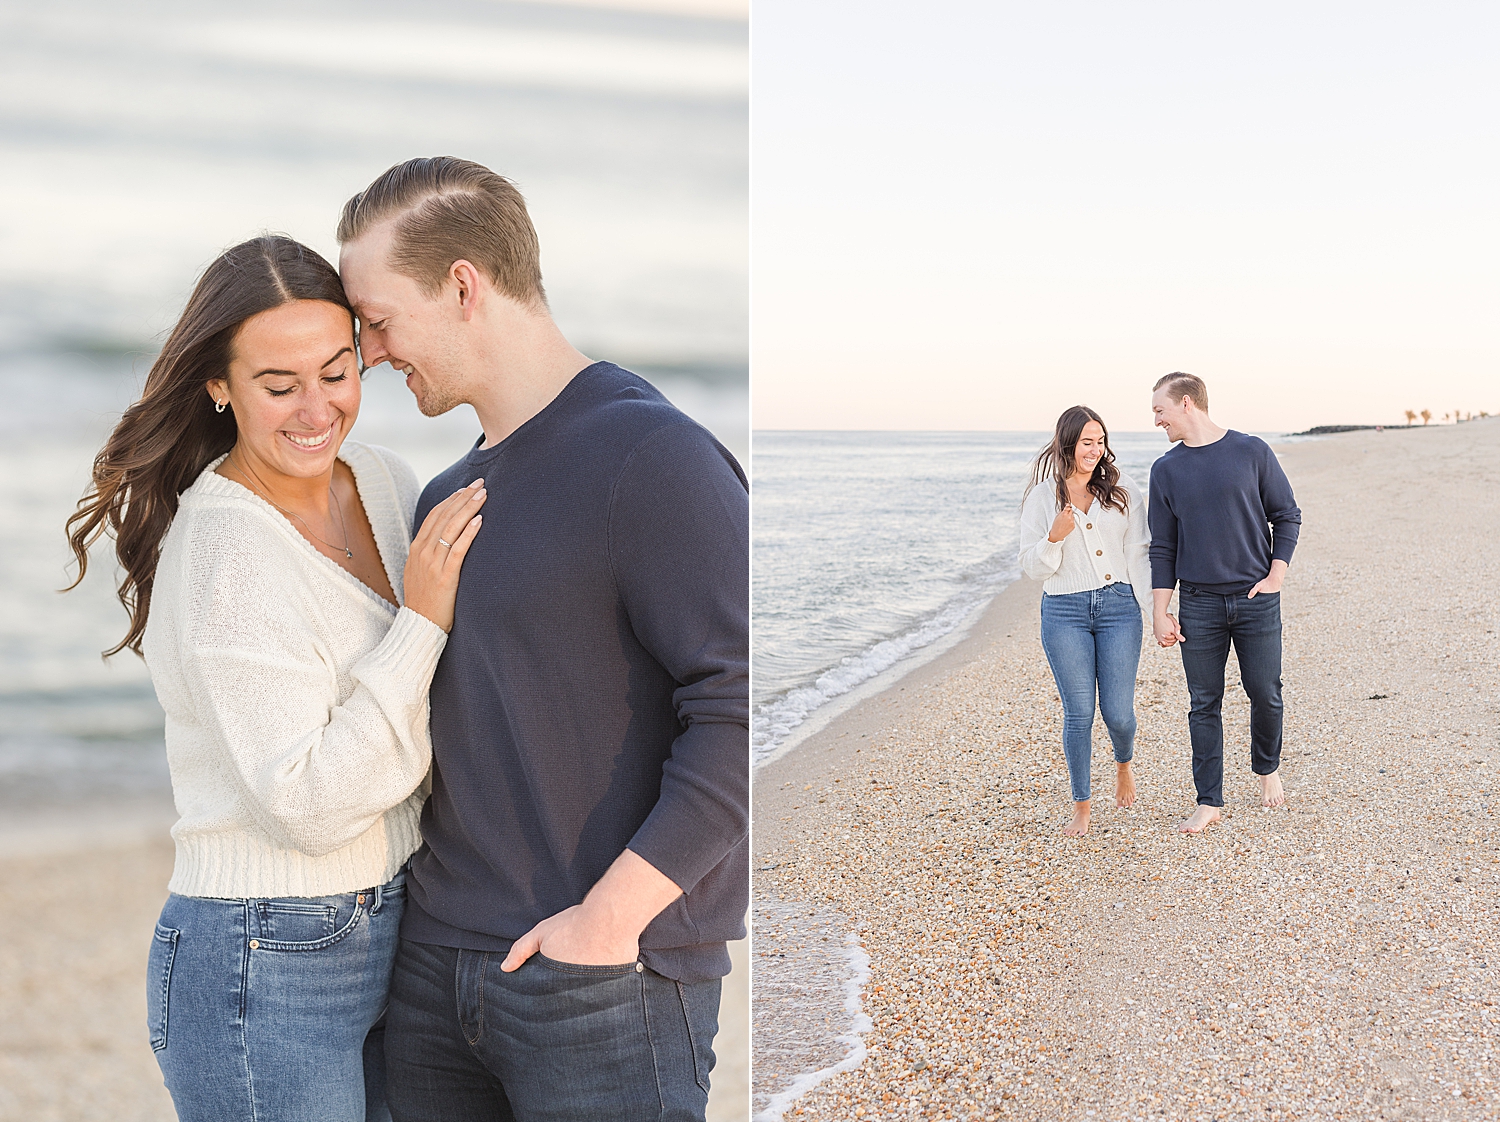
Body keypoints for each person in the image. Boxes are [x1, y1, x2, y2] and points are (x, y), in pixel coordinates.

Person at [337, 157, 748, 1121]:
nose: (370, 353)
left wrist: (609, 921)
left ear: (465, 286)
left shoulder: (655, 457)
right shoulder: (444, 497)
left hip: (607, 981)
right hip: (434, 974)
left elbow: (736, 707)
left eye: (380, 319)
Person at [64, 235, 488, 1121]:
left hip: (396, 919)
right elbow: (304, 804)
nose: (315, 410)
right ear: (220, 386)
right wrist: (422, 623)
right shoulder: (226, 548)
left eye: (337, 372)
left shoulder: (383, 480)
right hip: (262, 955)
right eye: (277, 384)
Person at [1148, 372, 1302, 834]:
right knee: (1203, 703)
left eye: (1160, 410)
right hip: (1198, 604)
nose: (1156, 420)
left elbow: (1286, 514)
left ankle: (1266, 768)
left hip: (1256, 600)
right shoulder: (1166, 470)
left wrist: (1276, 575)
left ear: (1187, 403)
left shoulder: (1251, 451)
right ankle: (1208, 800)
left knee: (1266, 693)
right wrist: (1160, 610)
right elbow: (1163, 547)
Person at [1019, 405, 1154, 836]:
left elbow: (1140, 555)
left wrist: (1157, 612)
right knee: (1078, 713)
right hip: (1063, 611)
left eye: (1100, 441)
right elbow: (1032, 568)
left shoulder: (1123, 490)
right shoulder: (1043, 498)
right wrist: (1054, 537)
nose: (1095, 451)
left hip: (1118, 608)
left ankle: (1123, 765)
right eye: (1086, 443)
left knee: (1118, 714)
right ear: (1067, 444)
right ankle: (1081, 805)